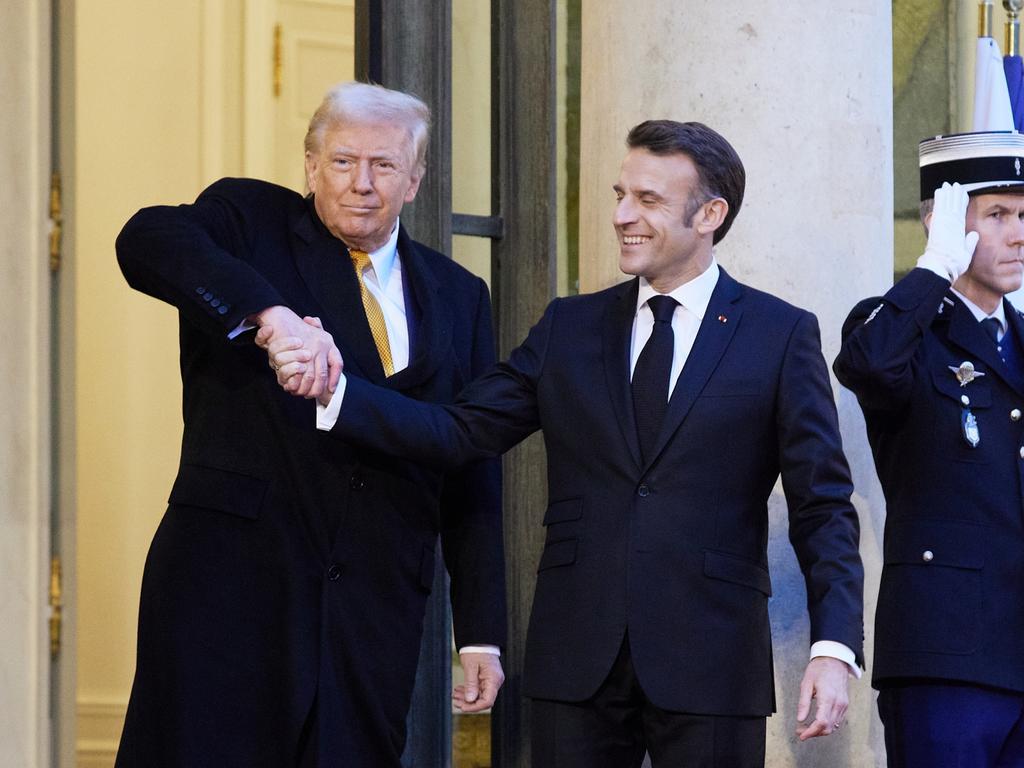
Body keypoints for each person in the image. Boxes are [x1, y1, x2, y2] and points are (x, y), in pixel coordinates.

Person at [270, 120, 865, 767]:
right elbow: (459, 430)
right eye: (620, 194)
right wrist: (338, 393)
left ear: (710, 215)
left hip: (711, 659)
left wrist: (833, 649)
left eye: (647, 201)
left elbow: (822, 506)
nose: (621, 216)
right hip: (575, 656)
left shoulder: (780, 335)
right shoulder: (569, 327)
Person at [114, 81, 506, 768]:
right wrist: (271, 317)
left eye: (383, 166)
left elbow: (470, 468)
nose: (361, 184)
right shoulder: (248, 219)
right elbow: (145, 238)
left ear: (413, 181)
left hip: (373, 610)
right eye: (344, 161)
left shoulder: (460, 295)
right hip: (231, 592)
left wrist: (480, 633)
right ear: (311, 167)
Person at [835, 131, 1024, 767]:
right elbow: (866, 364)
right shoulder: (899, 329)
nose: (1018, 233)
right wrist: (932, 268)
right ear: (939, 222)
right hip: (946, 658)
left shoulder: (1021, 341)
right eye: (996, 215)